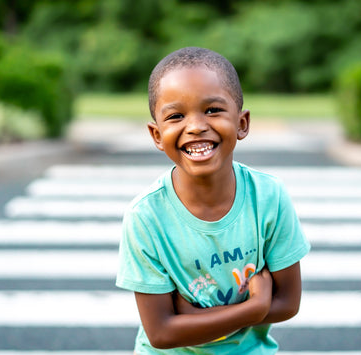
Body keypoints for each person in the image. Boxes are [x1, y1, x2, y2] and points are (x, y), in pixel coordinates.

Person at [116, 47, 311, 354]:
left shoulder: (269, 197)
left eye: (212, 110)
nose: (195, 126)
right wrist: (255, 306)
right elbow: (162, 333)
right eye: (176, 116)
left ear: (242, 123)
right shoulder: (146, 217)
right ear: (156, 135)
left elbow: (288, 303)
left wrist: (193, 318)